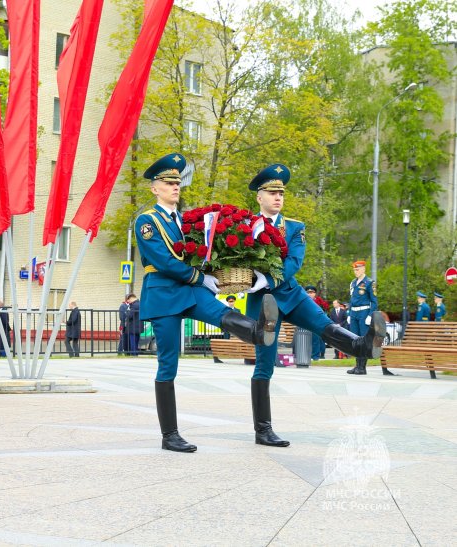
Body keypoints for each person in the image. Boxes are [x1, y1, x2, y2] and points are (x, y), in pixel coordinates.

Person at [136, 153, 279, 453]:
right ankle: (170, 435)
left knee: (220, 312)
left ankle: (257, 331)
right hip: (164, 293)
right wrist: (199, 278)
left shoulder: (183, 219)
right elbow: (162, 260)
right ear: (155, 188)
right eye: (168, 182)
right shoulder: (147, 221)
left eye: (177, 182)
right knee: (168, 364)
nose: (175, 187)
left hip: (188, 289)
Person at [244, 165, 386, 445]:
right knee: (265, 364)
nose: (278, 197)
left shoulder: (295, 227)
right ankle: (263, 430)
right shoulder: (244, 226)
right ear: (259, 197)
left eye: (281, 193)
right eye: (272, 192)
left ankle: (363, 345)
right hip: (264, 302)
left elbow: (294, 262)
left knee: (325, 325)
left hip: (290, 293)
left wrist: (264, 280)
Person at [304, 286, 326, 360]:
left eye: (312, 293)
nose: (310, 294)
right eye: (308, 293)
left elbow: (323, 311)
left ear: (315, 294)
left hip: (316, 322)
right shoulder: (304, 301)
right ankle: (307, 355)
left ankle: (315, 356)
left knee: (315, 339)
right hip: (305, 322)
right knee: (306, 340)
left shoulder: (319, 302)